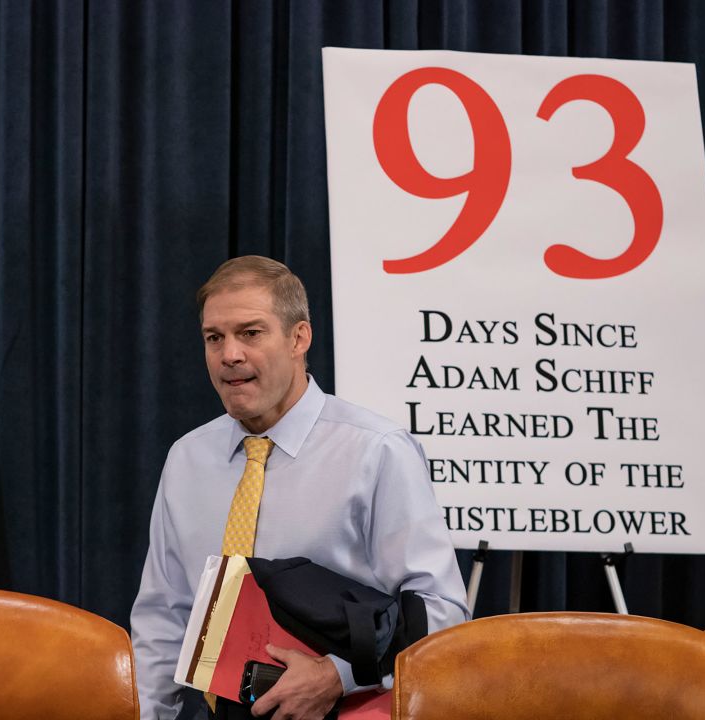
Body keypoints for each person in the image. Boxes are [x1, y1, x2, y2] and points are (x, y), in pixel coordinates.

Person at [130, 256, 468, 720]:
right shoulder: (188, 458)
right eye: (214, 338)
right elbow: (164, 618)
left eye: (250, 333)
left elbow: (441, 610)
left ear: (298, 338)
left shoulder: (377, 451)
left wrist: (336, 675)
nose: (230, 354)